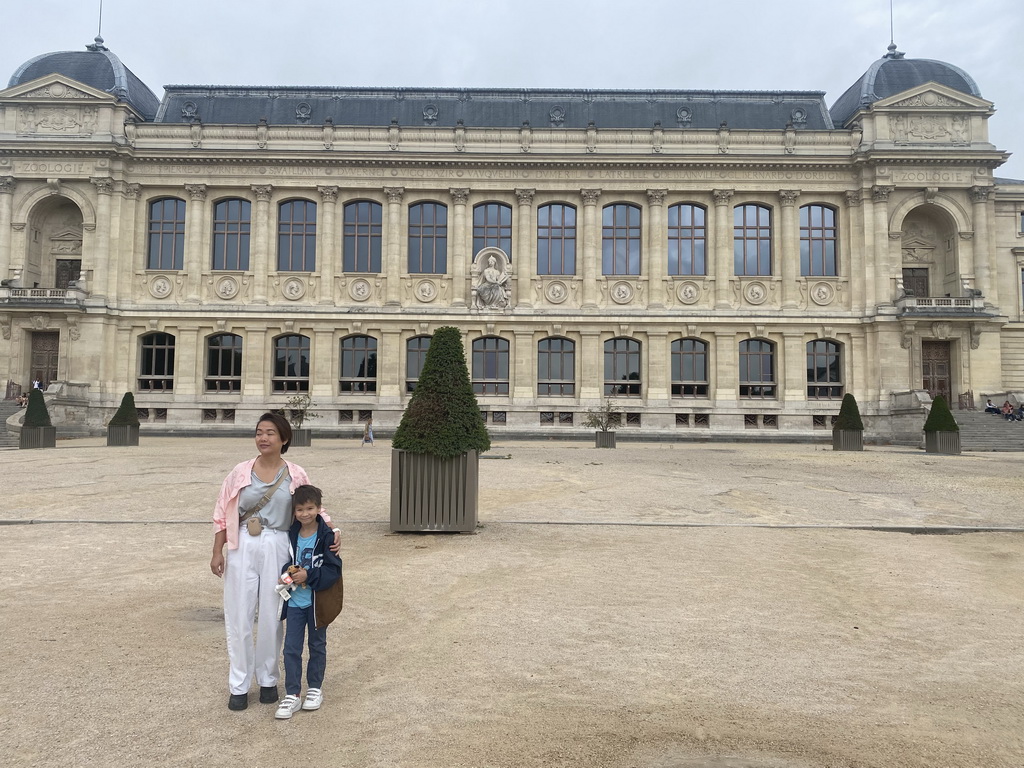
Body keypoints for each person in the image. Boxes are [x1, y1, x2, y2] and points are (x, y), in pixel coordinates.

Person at [210, 412, 340, 712]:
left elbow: (315, 508)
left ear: (284, 438)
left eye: (270, 433)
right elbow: (221, 511)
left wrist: (333, 531)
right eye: (259, 432)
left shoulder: (295, 473)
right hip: (242, 542)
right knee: (239, 613)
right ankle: (239, 684)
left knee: (273, 613)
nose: (263, 438)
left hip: (278, 543)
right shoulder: (240, 472)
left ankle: (268, 679)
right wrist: (218, 550)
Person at [275, 484, 343, 720]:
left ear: (319, 509)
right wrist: (286, 574)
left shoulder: (327, 536)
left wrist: (309, 576)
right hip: (294, 602)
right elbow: (288, 561)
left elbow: (333, 570)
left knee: (317, 646)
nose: (305, 514)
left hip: (317, 603)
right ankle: (292, 694)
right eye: (300, 509)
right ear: (294, 512)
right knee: (291, 649)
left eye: (310, 508)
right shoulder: (291, 533)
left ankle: (315, 688)